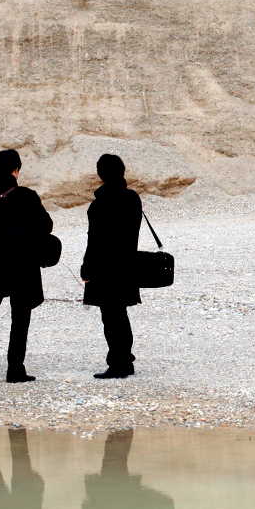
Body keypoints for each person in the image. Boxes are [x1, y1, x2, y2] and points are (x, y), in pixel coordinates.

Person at [0, 148, 53, 383]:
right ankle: (15, 369)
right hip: (24, 265)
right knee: (20, 318)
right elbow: (46, 226)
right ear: (17, 170)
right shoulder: (28, 196)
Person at [81, 154, 143, 378]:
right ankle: (125, 360)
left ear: (101, 174)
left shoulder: (100, 203)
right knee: (120, 314)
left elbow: (95, 240)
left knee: (111, 317)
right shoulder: (133, 198)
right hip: (127, 264)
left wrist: (86, 267)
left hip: (105, 268)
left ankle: (119, 364)